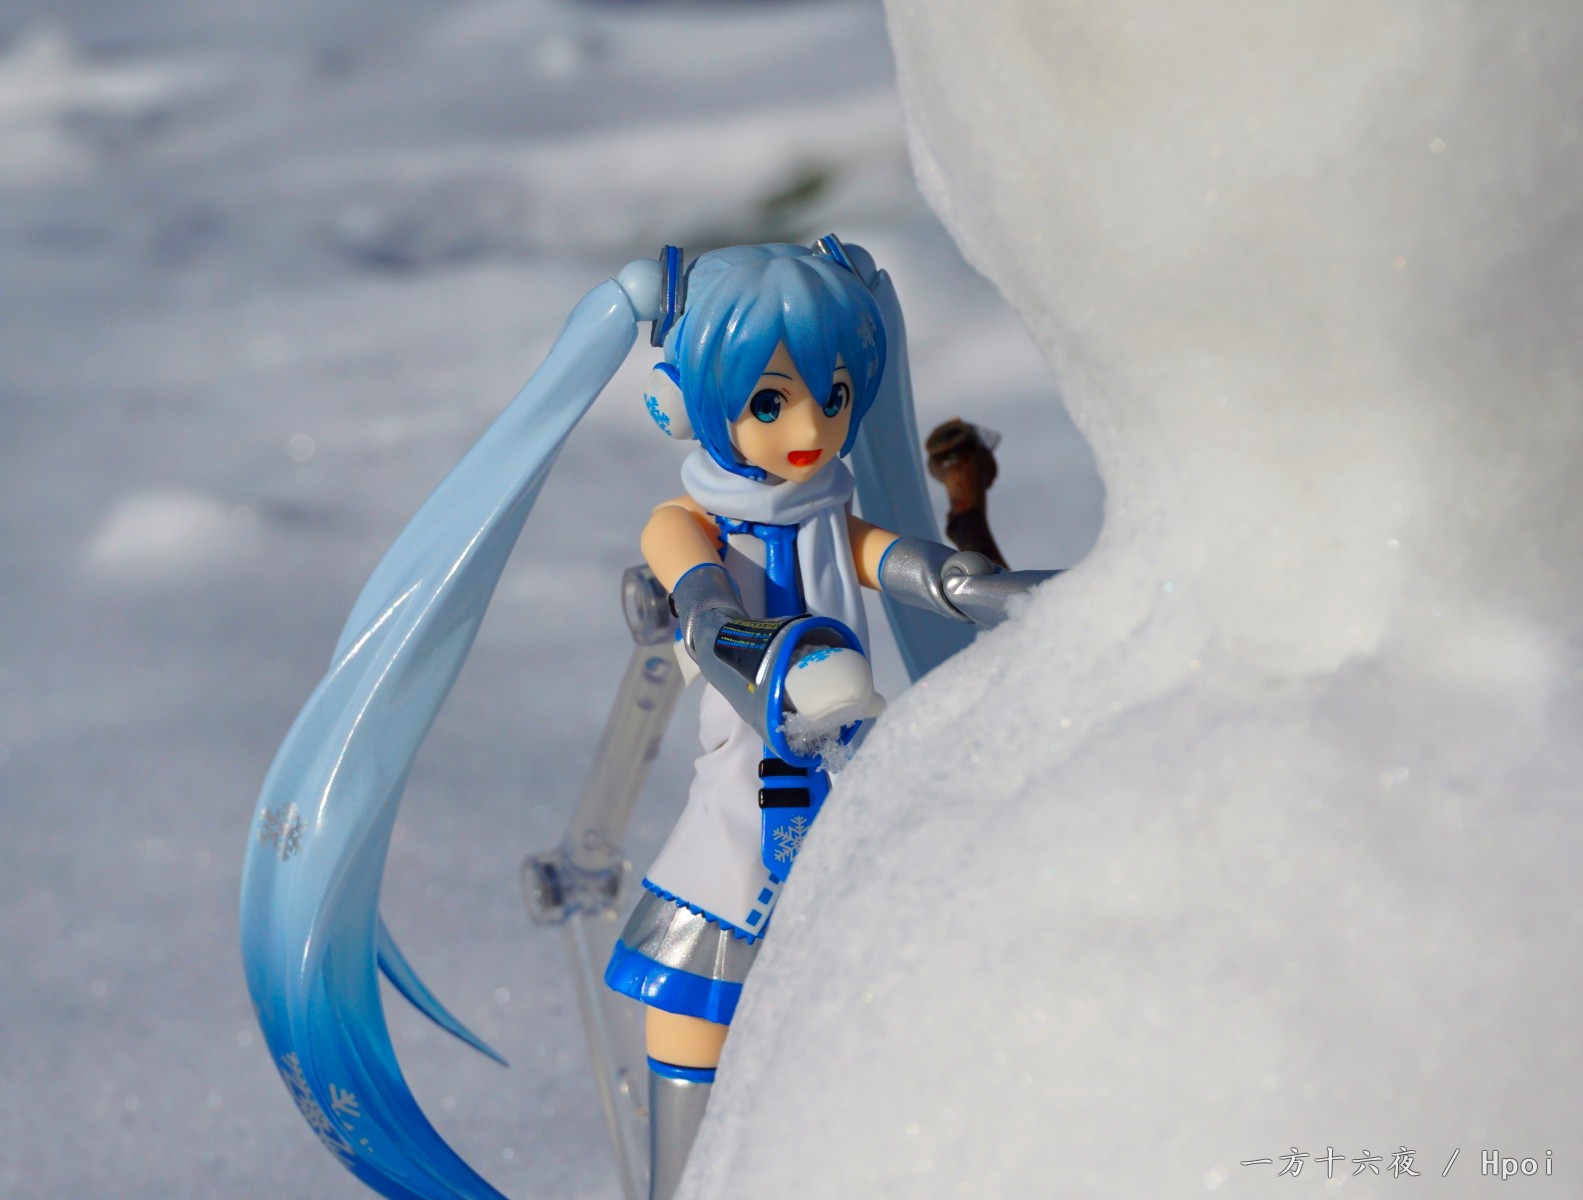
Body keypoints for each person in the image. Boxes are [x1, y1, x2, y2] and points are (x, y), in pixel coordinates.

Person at [241, 239, 1049, 1200]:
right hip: (743, 817)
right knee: (696, 1024)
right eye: (769, 402)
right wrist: (774, 658)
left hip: (850, 806)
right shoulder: (687, 525)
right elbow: (706, 615)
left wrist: (997, 593)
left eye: (833, 395)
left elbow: (917, 571)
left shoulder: (827, 517)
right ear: (679, 404)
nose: (810, 427)